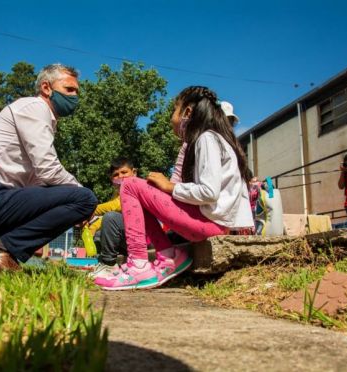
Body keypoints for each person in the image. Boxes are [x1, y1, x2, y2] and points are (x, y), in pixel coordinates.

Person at [95, 86, 254, 290]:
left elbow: (209, 192)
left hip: (210, 224)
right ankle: (168, 256)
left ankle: (139, 265)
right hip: (212, 222)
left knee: (130, 185)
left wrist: (169, 187)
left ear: (187, 113)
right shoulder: (212, 140)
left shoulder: (207, 138)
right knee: (139, 189)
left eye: (174, 110)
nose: (172, 117)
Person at [0, 64, 97, 271]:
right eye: (69, 89)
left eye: (77, 91)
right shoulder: (35, 108)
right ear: (46, 88)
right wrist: (80, 194)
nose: (75, 96)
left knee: (72, 197)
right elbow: (48, 169)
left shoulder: (37, 116)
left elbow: (39, 182)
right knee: (85, 199)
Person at [89, 157, 137, 278]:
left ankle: (108, 264)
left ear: (134, 173)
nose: (120, 176)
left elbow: (116, 206)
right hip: (127, 235)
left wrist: (91, 210)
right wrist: (93, 226)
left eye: (124, 172)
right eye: (116, 174)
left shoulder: (136, 185)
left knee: (110, 218)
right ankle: (113, 262)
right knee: (100, 232)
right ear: (112, 179)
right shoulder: (117, 193)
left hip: (142, 235)